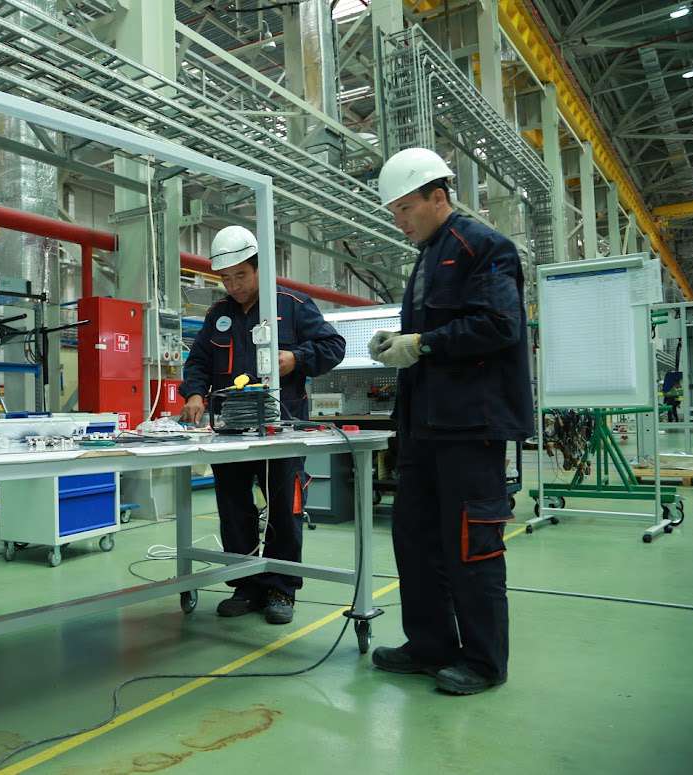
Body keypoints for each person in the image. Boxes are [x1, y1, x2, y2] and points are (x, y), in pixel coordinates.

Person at [368, 147, 532, 695]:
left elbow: (499, 325)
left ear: (438, 197)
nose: (399, 221)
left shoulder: (482, 247)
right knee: (415, 539)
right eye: (394, 212)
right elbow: (432, 336)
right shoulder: (427, 256)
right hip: (423, 428)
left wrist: (422, 344)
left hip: (470, 427)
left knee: (470, 544)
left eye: (405, 209)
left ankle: (484, 662)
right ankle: (430, 645)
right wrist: (399, 342)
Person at [180, 225, 345, 624]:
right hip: (230, 431)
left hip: (281, 428)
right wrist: (195, 393)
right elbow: (199, 360)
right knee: (234, 508)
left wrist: (297, 359)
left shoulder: (292, 305)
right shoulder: (218, 315)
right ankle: (246, 584)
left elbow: (333, 346)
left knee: (283, 510)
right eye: (226, 278)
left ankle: (281, 588)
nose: (234, 286)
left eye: (241, 275)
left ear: (259, 269)